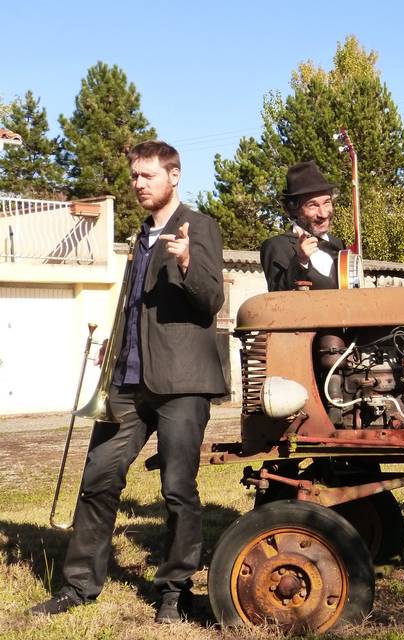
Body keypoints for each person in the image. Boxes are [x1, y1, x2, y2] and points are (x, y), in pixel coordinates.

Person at [30, 141, 227, 623]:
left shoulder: (199, 227)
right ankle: (79, 585)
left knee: (178, 489)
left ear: (173, 177)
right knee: (98, 480)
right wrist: (115, 344)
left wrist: (185, 262)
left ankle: (174, 591)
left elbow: (210, 302)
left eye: (147, 176)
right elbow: (134, 304)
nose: (138, 184)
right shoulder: (140, 236)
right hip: (128, 381)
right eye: (135, 176)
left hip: (182, 383)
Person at [260, 161, 346, 292]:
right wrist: (300, 261)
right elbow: (276, 297)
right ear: (293, 209)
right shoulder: (277, 246)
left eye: (327, 203)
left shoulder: (338, 244)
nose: (323, 214)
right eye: (313, 205)